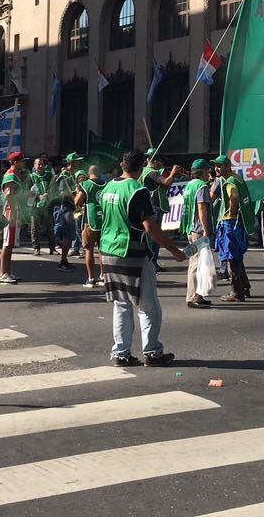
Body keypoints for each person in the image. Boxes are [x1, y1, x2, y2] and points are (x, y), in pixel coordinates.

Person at [100, 149, 186, 366]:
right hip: (133, 252)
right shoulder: (138, 190)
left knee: (121, 305)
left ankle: (121, 353)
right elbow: (150, 227)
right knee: (148, 307)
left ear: (122, 165)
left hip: (109, 251)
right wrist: (174, 250)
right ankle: (153, 352)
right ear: (142, 168)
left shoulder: (108, 187)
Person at [212, 155, 253, 301]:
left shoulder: (229, 181)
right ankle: (245, 287)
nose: (216, 168)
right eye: (215, 166)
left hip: (230, 223)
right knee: (236, 257)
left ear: (227, 167)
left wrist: (231, 212)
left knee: (231, 258)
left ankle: (237, 292)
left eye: (219, 166)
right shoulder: (237, 177)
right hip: (240, 222)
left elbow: (234, 195)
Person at [181, 159, 216, 308]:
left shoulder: (189, 185)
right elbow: (202, 209)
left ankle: (197, 296)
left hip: (191, 227)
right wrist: (206, 231)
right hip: (199, 229)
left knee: (195, 263)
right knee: (196, 264)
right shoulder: (201, 186)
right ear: (201, 171)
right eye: (207, 170)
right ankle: (193, 297)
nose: (209, 173)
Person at [0, 152, 31, 284]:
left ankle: (7, 272)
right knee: (7, 244)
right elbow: (8, 196)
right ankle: (2, 273)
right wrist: (26, 194)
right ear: (15, 162)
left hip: (15, 212)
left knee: (10, 244)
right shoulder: (11, 175)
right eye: (22, 161)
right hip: (10, 213)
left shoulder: (15, 175)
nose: (24, 163)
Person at [77, 163, 104, 288]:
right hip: (104, 220)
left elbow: (77, 201)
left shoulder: (86, 184)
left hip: (90, 220)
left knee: (89, 249)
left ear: (89, 173)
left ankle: (91, 278)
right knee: (102, 251)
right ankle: (103, 276)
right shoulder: (106, 184)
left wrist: (78, 195)